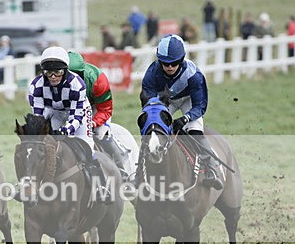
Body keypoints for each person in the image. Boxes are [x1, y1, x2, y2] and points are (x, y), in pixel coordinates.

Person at [140, 34, 224, 191]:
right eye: (165, 63)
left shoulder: (194, 75)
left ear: (182, 59)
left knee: (195, 131)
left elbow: (200, 106)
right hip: (165, 101)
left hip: (188, 101)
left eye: (174, 63)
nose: (170, 67)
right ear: (159, 61)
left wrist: (185, 119)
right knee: (152, 130)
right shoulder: (152, 73)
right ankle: (139, 172)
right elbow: (148, 104)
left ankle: (212, 169)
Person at [27, 47, 109, 202]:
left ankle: (101, 186)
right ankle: (34, 183)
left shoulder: (77, 84)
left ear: (65, 70)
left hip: (78, 111)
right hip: (54, 111)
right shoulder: (36, 87)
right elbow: (38, 115)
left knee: (87, 145)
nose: (52, 76)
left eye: (57, 72)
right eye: (48, 72)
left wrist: (66, 130)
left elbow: (76, 116)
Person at [67, 50, 129, 177]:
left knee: (102, 135)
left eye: (78, 74)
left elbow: (105, 109)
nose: (74, 79)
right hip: (71, 110)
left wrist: (93, 122)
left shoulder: (97, 79)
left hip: (96, 108)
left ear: (82, 71)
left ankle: (123, 170)